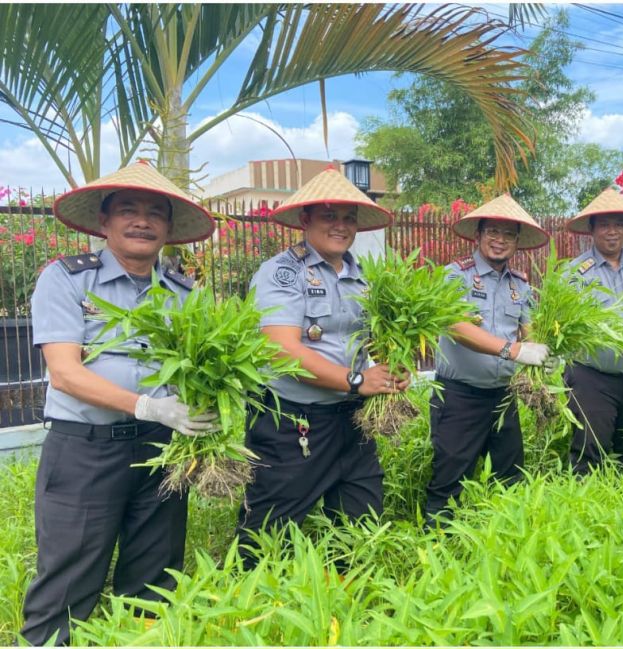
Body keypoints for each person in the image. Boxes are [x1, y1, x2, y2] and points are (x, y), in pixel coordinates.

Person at [20, 160, 216, 646]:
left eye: (155, 212)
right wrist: (148, 406)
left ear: (169, 230)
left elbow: (203, 366)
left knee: (154, 580)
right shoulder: (66, 279)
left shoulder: (184, 293)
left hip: (162, 452)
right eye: (128, 209)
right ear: (103, 222)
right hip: (86, 450)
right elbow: (65, 373)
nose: (142, 220)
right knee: (67, 581)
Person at [237, 167, 407, 560]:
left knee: (360, 527)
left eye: (349, 218)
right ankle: (257, 609)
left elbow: (373, 341)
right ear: (305, 219)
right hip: (294, 422)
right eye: (330, 216)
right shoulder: (282, 273)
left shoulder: (363, 277)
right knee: (270, 536)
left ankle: (348, 606)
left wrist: (391, 370)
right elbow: (279, 349)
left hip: (352, 419)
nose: (341, 226)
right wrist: (355, 379)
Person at [424, 193, 551, 526]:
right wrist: (511, 350)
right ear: (478, 236)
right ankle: (437, 546)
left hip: (502, 396)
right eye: (493, 232)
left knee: (510, 475)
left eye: (509, 234)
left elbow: (529, 330)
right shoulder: (454, 275)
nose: (500, 240)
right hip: (459, 396)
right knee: (450, 476)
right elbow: (455, 325)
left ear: (517, 242)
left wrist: (543, 349)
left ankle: (503, 540)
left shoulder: (520, 285)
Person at [563, 188, 623, 476]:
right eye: (604, 224)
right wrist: (612, 335)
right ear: (592, 230)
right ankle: (586, 508)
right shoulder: (575, 273)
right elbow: (568, 326)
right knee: (589, 450)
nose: (612, 231)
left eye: (618, 224)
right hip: (592, 376)